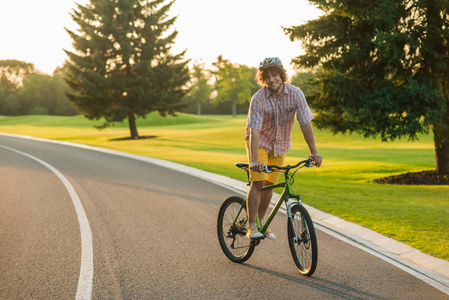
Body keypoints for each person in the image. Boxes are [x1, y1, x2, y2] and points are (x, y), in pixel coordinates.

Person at [245, 57, 322, 240]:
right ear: (263, 79)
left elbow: (305, 124)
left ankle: (261, 222)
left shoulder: (296, 94)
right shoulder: (258, 99)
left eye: (275, 75)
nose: (272, 80)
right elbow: (254, 132)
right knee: (258, 182)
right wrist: (254, 161)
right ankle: (251, 226)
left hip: (280, 146)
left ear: (281, 74)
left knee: (270, 184)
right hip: (260, 143)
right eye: (267, 77)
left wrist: (314, 152)